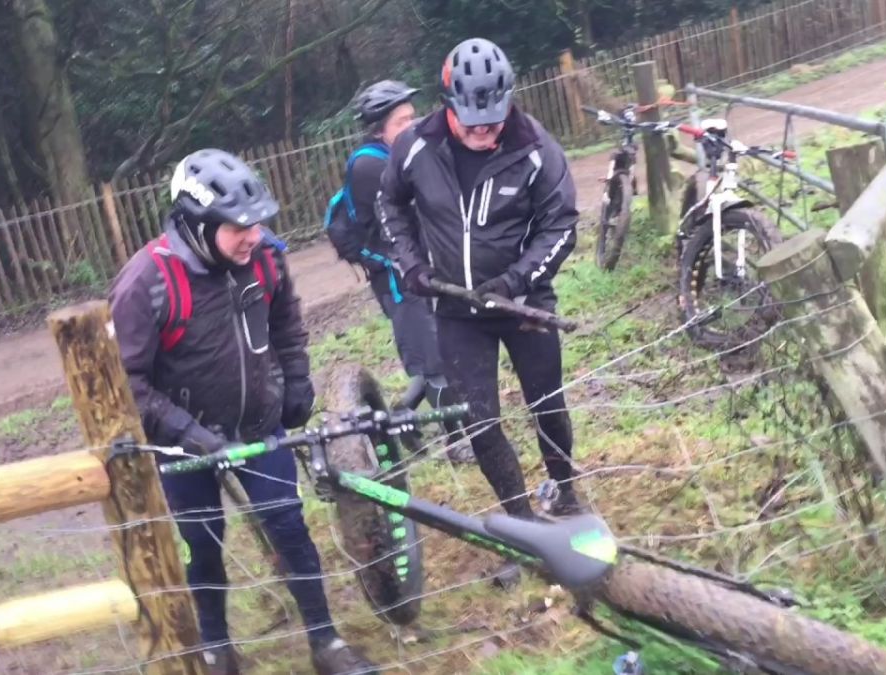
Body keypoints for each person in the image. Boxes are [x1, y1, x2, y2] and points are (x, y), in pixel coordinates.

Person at [109, 148, 376, 675]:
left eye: (257, 223)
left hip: (257, 425)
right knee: (202, 544)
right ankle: (216, 649)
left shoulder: (266, 257)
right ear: (198, 225)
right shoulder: (146, 283)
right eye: (238, 228)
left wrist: (296, 382)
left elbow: (286, 323)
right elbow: (127, 383)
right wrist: (193, 436)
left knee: (289, 527)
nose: (253, 236)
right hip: (182, 443)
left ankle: (326, 642)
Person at [378, 38, 583, 525]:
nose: (484, 132)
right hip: (456, 311)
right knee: (480, 420)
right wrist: (411, 263)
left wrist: (516, 280)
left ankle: (565, 492)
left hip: (523, 302)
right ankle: (521, 520)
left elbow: (561, 224)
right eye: (473, 124)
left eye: (493, 121)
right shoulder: (415, 147)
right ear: (448, 106)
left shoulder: (534, 147)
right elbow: (389, 205)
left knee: (547, 403)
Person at [338, 80, 470, 461]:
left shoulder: (401, 153)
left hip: (420, 269)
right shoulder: (370, 166)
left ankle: (403, 414)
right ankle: (459, 442)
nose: (412, 125)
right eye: (402, 121)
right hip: (396, 279)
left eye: (413, 117)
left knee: (436, 353)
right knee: (435, 361)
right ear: (379, 129)